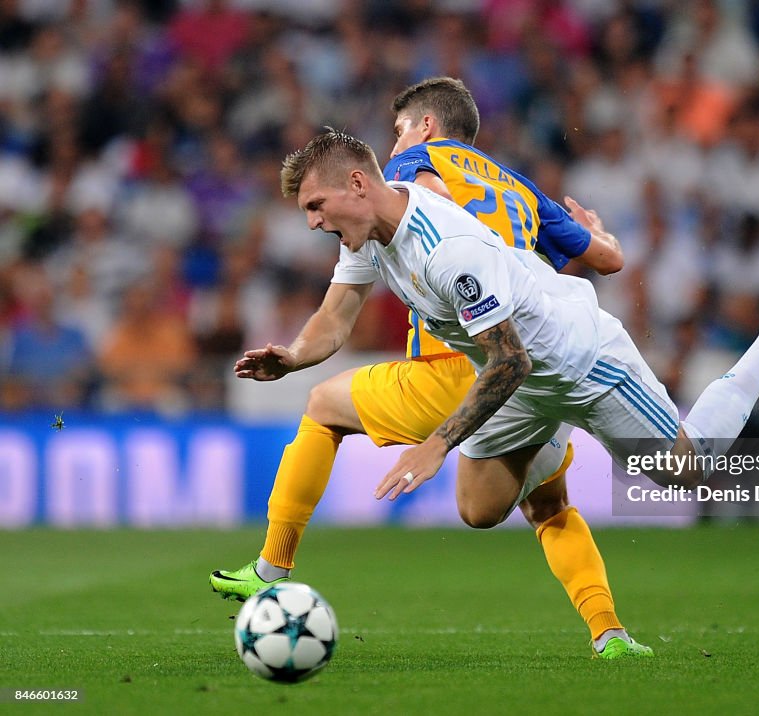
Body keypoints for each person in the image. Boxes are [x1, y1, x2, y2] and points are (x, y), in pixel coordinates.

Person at [257, 127, 759, 611]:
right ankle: (547, 433)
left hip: (580, 362)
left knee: (689, 473)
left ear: (357, 184)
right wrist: (291, 357)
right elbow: (334, 321)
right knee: (480, 511)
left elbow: (509, 360)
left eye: (315, 205)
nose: (312, 221)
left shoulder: (446, 250)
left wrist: (435, 445)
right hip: (519, 384)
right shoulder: (366, 234)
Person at [212, 78, 650, 659]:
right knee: (545, 505)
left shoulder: (415, 171)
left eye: (398, 131)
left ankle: (270, 569)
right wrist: (595, 230)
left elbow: (431, 199)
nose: (393, 146)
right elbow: (608, 259)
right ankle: (610, 632)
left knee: (323, 406)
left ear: (425, 127)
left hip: (469, 362)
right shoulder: (516, 184)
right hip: (536, 363)